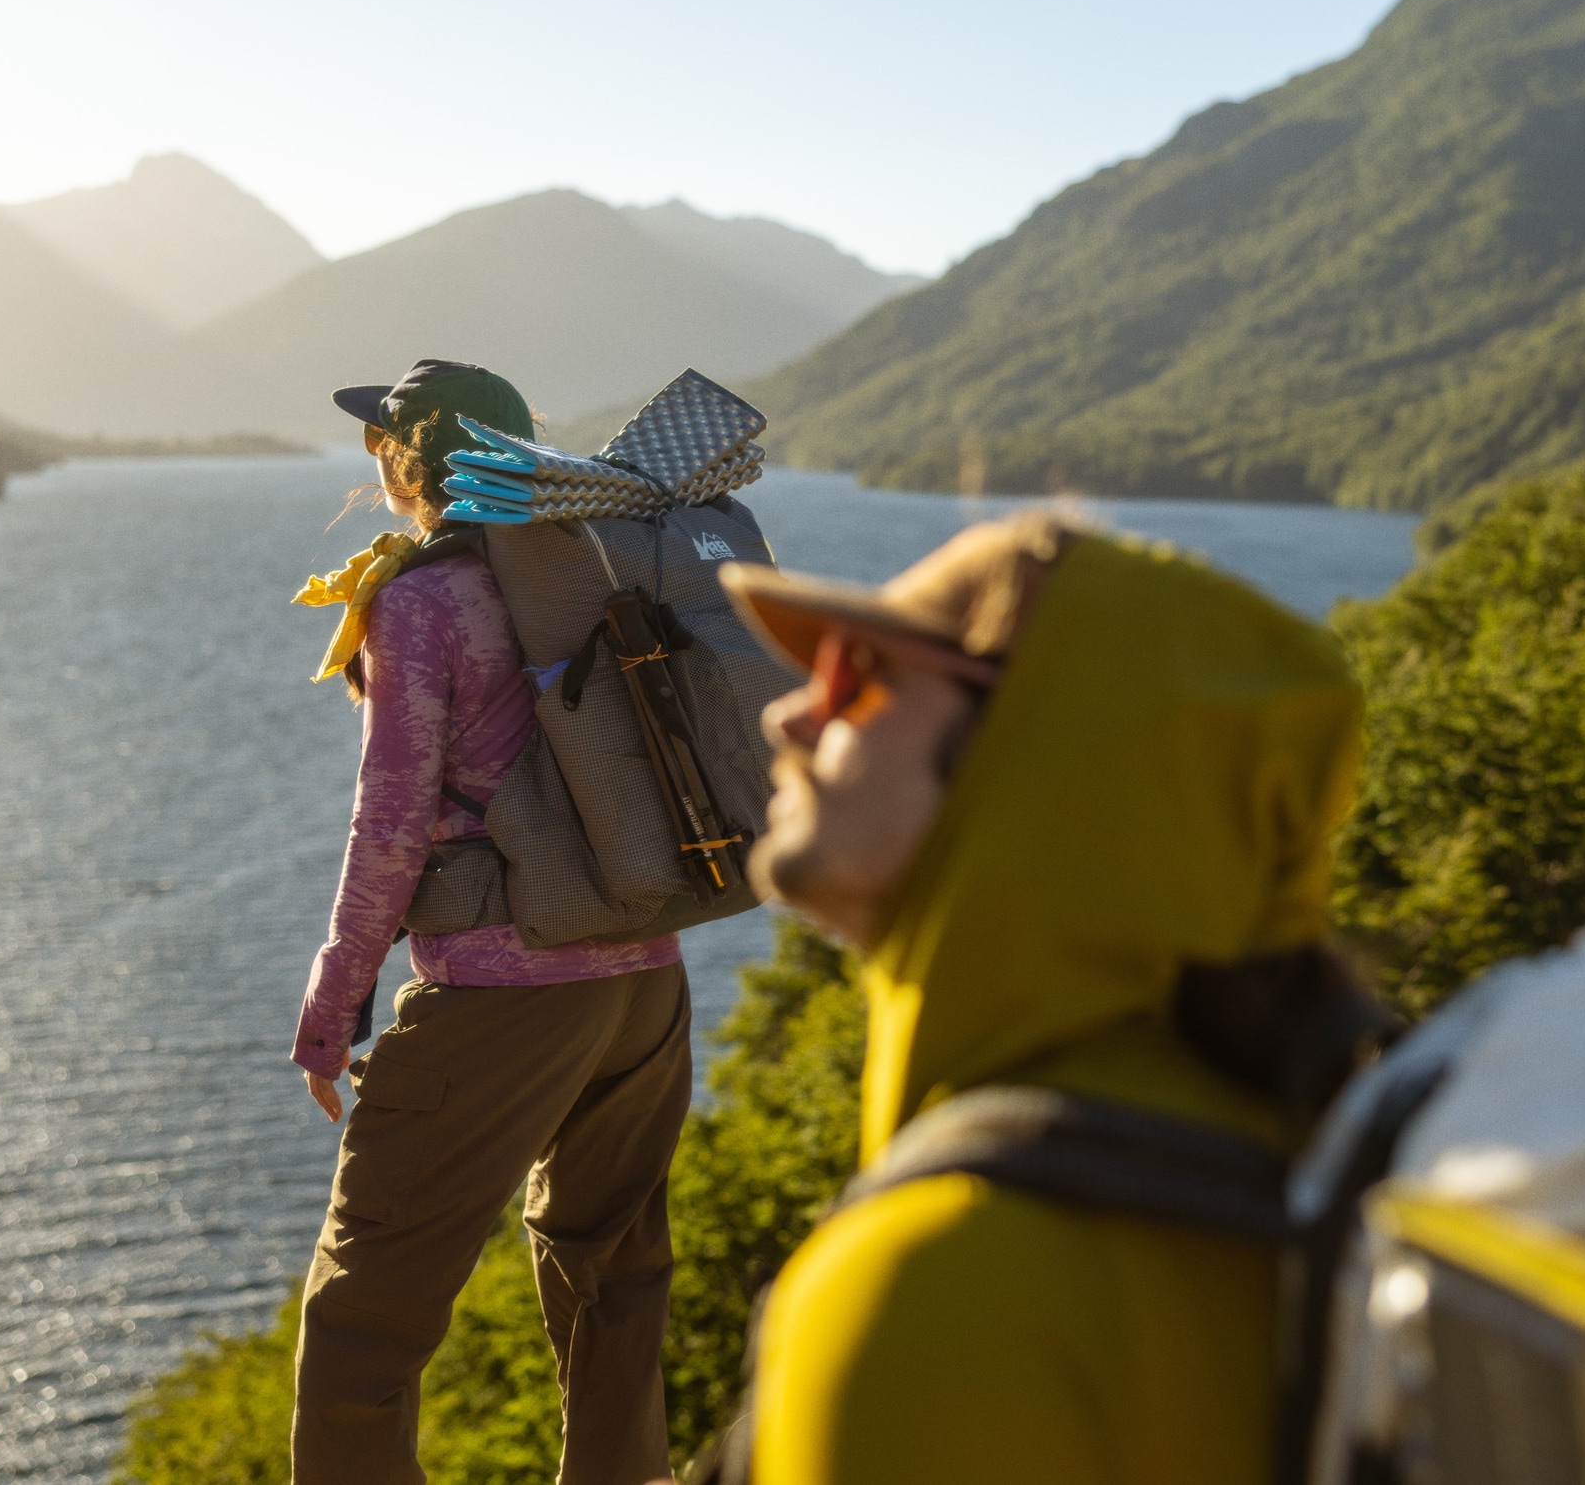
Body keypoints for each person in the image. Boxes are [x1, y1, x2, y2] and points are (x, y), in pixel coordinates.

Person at [716, 510, 1362, 1485]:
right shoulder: (1308, 1167)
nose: (792, 714)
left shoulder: (941, 1281)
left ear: (1039, 746)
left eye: (860, 675)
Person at [289, 358, 691, 1485]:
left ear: (407, 462)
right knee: (615, 1291)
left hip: (505, 995)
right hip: (645, 984)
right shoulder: (597, 562)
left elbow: (391, 825)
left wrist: (333, 1008)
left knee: (361, 1323)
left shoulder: (421, 601)